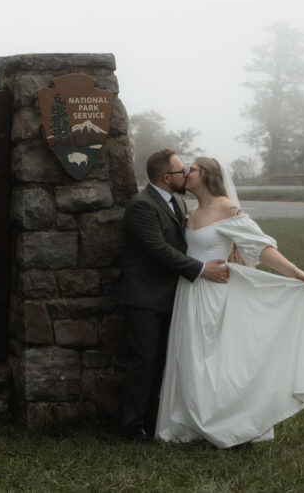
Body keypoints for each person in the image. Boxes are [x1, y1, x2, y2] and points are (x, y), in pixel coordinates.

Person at [155, 156, 304, 448]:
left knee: (217, 359)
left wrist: (295, 272)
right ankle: (191, 422)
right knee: (190, 356)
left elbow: (261, 247)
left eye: (190, 169)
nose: (185, 174)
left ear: (205, 175)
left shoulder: (227, 208)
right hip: (189, 290)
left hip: (215, 293)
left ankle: (229, 421)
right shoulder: (190, 212)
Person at [119, 148, 229, 442]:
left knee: (164, 362)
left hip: (173, 296)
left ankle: (156, 420)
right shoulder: (142, 205)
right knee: (143, 361)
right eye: (182, 171)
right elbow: (157, 249)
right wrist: (200, 269)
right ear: (167, 178)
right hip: (144, 297)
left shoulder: (177, 203)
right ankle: (131, 425)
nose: (186, 175)